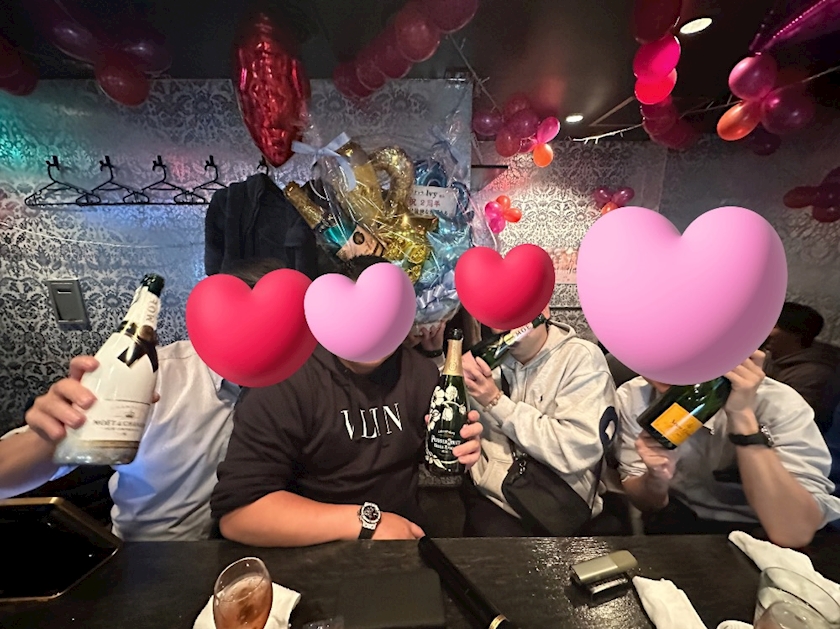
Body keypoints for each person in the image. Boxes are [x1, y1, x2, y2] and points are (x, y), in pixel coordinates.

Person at [0, 258, 286, 541]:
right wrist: (51, 437)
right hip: (148, 553)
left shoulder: (297, 386)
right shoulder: (151, 374)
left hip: (262, 548)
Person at [210, 255, 483, 547]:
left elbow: (432, 460)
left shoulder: (420, 373)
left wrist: (459, 448)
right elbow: (239, 515)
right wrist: (368, 522)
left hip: (400, 542)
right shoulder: (287, 382)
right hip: (312, 546)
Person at [616, 350, 840, 548]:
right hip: (679, 523)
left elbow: (794, 532)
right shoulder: (635, 396)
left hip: (762, 533)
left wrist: (742, 417)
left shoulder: (779, 403)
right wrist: (655, 479)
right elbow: (646, 501)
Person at [459, 310, 618, 536]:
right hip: (494, 503)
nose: (507, 322)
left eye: (517, 307)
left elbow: (576, 449)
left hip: (561, 505)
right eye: (497, 309)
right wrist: (444, 363)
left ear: (543, 310)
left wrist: (495, 401)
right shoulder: (482, 359)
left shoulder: (580, 358)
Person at [763, 302, 840, 430]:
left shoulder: (814, 375)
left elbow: (786, 419)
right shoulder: (773, 356)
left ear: (796, 335)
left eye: (773, 326)